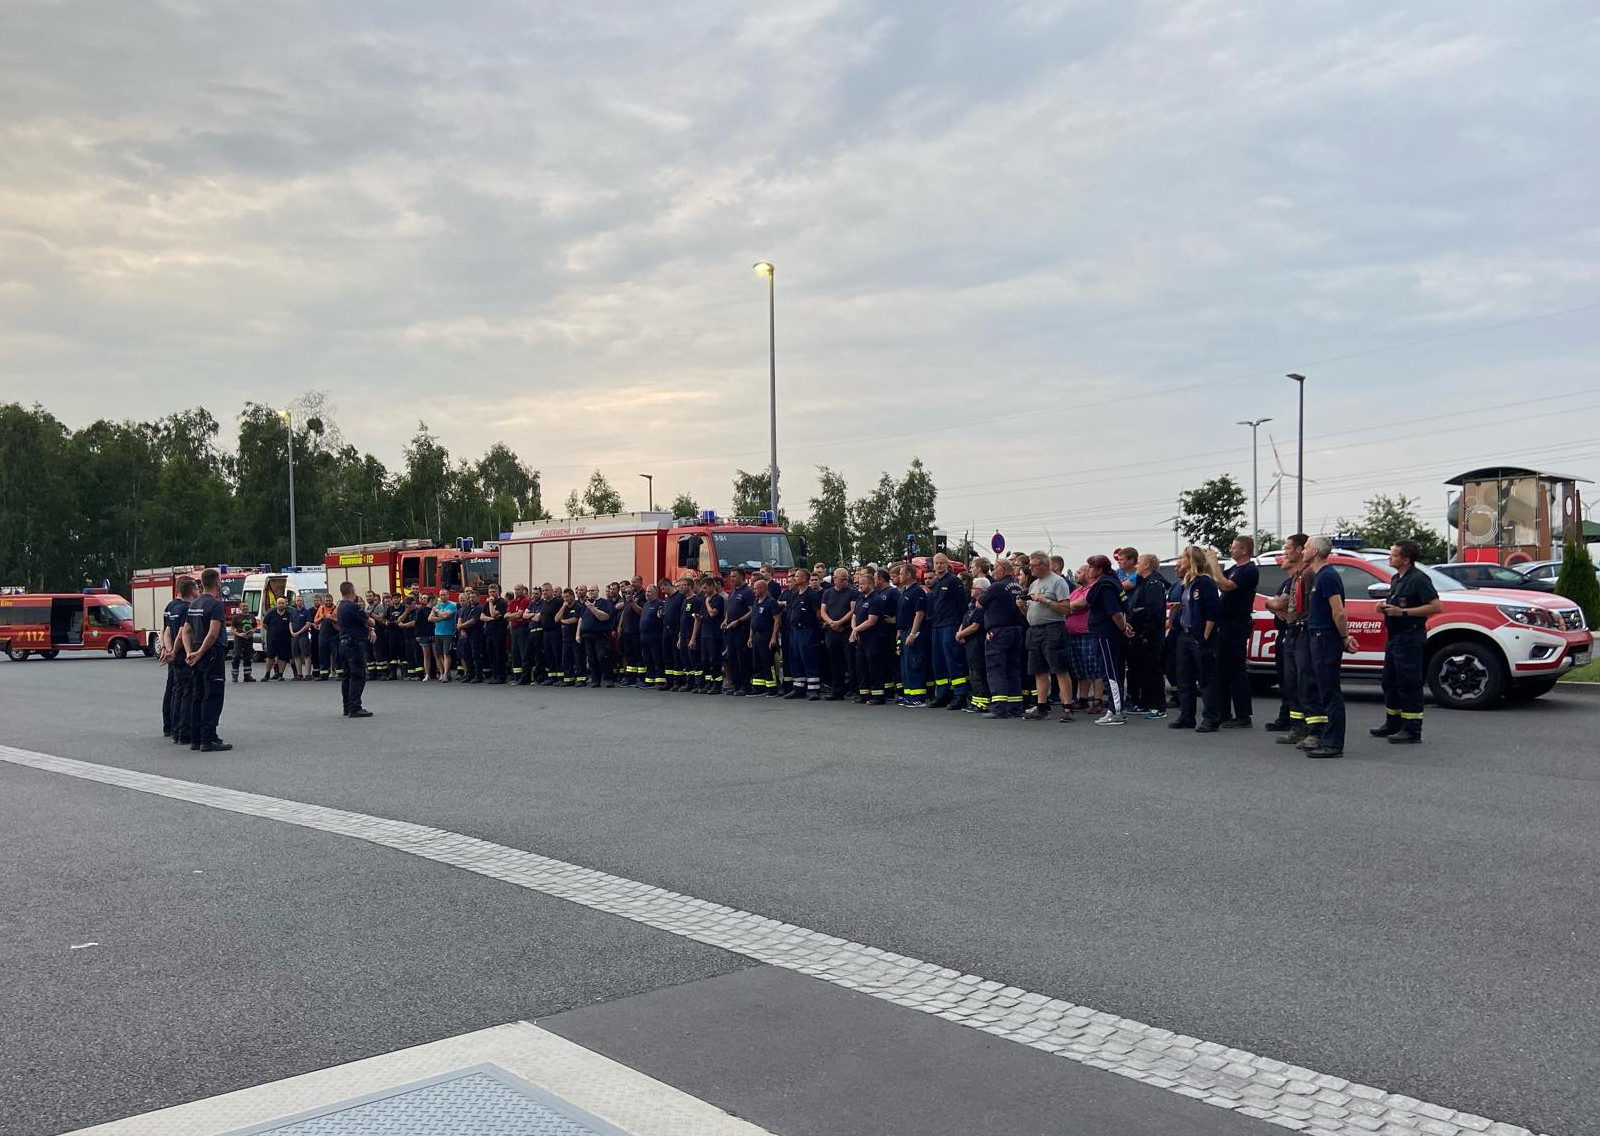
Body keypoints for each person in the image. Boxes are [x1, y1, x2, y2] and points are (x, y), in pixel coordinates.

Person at [1373, 539, 1441, 745]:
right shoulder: (1396, 579)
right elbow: (1397, 602)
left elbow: (1435, 606)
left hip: (1410, 636)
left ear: (1406, 559)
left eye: (1394, 555)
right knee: (1390, 681)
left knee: (1409, 682)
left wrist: (1403, 612)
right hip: (1395, 637)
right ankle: (1393, 723)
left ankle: (1411, 729)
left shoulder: (1419, 579)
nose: (1390, 558)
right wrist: (1383, 606)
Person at [1301, 535, 1358, 759]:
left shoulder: (1327, 576)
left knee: (1330, 691)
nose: (1303, 551)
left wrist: (1344, 637)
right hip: (1317, 636)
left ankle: (1334, 744)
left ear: (1315, 552)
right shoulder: (1319, 576)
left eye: (1306, 547)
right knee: (1322, 689)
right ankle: (1325, 737)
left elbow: (1339, 611)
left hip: (1325, 638)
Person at [1264, 534, 1315, 745]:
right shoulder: (1296, 577)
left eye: (1287, 549)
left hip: (1303, 633)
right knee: (1291, 683)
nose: (1284, 553)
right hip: (1291, 634)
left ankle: (1314, 730)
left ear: (1301, 550)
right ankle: (1297, 727)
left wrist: (1277, 607)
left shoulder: (1310, 575)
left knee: (1305, 683)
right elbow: (1278, 605)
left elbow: (1283, 605)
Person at [1171, 545, 1223, 732]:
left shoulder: (1205, 582)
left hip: (1199, 636)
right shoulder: (1187, 582)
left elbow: (1212, 611)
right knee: (1184, 678)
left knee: (1206, 679)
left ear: (1192, 560)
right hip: (1184, 634)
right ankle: (1186, 716)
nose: (1179, 561)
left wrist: (1205, 636)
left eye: (1183, 557)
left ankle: (1211, 718)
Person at [180, 567, 231, 751]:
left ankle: (196, 738)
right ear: (217, 582)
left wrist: (189, 652)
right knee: (213, 696)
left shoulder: (194, 604)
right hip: (211, 655)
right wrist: (201, 652)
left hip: (196, 655)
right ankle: (209, 739)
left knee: (198, 695)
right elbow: (213, 633)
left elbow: (186, 631)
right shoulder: (215, 605)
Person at [1021, 551, 1073, 722]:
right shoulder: (1034, 584)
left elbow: (1066, 608)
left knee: (1059, 668)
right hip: (1034, 629)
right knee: (1038, 669)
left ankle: (1067, 707)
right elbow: (1031, 613)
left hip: (1053, 628)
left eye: (1033, 565)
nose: (1030, 568)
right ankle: (1042, 706)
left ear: (1044, 565)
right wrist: (1022, 607)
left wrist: (1046, 600)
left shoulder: (1058, 582)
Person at [1084, 554, 1135, 725]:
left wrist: (1123, 628)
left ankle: (1116, 711)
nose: (1088, 570)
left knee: (1110, 673)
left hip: (1105, 634)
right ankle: (1117, 708)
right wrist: (1124, 626)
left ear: (1100, 569)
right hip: (1105, 633)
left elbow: (1115, 612)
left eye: (1091, 567)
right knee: (1112, 672)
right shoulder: (1112, 583)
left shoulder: (1105, 586)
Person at [1216, 535, 1260, 728]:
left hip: (1237, 623)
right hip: (1224, 622)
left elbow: (1225, 586)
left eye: (1234, 547)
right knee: (1221, 670)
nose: (1231, 550)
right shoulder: (1234, 568)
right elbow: (1219, 581)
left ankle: (1243, 715)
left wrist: (1214, 564)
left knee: (1236, 669)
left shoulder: (1249, 570)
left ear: (1244, 550)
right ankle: (1223, 712)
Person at [977, 558, 1025, 718]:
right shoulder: (1017, 586)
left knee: (996, 669)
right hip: (1016, 630)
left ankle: (999, 708)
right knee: (1013, 669)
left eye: (995, 568)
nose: (993, 572)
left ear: (1003, 569)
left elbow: (980, 603)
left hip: (998, 631)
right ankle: (1015, 707)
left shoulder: (997, 586)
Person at [1125, 554, 1170, 719]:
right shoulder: (1143, 583)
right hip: (1139, 633)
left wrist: (1145, 633)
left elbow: (1154, 612)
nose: (1136, 566)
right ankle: (1144, 703)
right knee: (1142, 670)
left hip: (1149, 636)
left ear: (1147, 565)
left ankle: (1158, 706)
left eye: (1139, 563)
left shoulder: (1154, 584)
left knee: (1153, 671)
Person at [926, 552, 968, 709]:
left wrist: (961, 624)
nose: (938, 566)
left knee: (953, 660)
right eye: (936, 563)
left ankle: (960, 694)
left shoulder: (954, 581)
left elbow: (962, 604)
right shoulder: (935, 583)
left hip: (950, 624)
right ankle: (942, 695)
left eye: (941, 563)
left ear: (947, 564)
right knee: (939, 662)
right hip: (937, 625)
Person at [160, 575, 197, 743]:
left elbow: (166, 630)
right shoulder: (186, 609)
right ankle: (183, 730)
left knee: (175, 691)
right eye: (196, 587)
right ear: (191, 590)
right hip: (182, 655)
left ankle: (172, 727)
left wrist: (167, 649)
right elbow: (182, 633)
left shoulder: (172, 607)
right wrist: (174, 651)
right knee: (186, 693)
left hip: (174, 656)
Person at [781, 566, 823, 700]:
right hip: (794, 631)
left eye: (797, 576)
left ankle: (813, 689)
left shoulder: (812, 595)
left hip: (808, 630)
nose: (794, 578)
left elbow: (818, 614)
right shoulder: (794, 595)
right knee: (795, 659)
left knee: (809, 658)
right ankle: (798, 688)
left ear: (804, 578)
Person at [335, 582, 375, 717]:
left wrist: (369, 629)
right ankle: (355, 707)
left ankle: (347, 706)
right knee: (358, 675)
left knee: (347, 676)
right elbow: (370, 621)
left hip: (344, 643)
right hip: (354, 644)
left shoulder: (340, 606)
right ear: (352, 591)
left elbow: (358, 623)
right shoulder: (353, 606)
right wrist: (371, 626)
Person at [849, 568, 887, 704]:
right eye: (859, 583)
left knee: (874, 667)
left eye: (863, 583)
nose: (860, 586)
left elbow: (871, 621)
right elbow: (854, 616)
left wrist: (856, 630)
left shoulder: (876, 599)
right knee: (861, 666)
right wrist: (854, 629)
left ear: (871, 584)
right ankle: (864, 694)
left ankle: (878, 695)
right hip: (861, 638)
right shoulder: (860, 599)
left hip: (873, 638)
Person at [894, 563, 929, 707]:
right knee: (906, 665)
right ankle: (909, 694)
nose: (899, 576)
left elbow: (919, 614)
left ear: (908, 575)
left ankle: (918, 697)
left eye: (901, 573)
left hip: (912, 631)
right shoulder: (905, 591)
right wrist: (899, 632)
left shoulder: (917, 591)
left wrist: (913, 634)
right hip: (903, 631)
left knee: (914, 664)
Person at [821, 568, 857, 700]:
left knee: (850, 661)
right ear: (834, 579)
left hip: (846, 630)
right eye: (841, 580)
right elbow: (823, 611)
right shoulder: (827, 593)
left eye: (846, 579)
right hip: (832, 631)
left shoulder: (852, 592)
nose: (844, 582)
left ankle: (854, 690)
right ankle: (837, 690)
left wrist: (839, 622)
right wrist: (831, 623)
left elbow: (853, 610)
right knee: (834, 661)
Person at [956, 575, 990, 714]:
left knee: (978, 672)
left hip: (977, 642)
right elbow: (965, 620)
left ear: (980, 590)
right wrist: (960, 632)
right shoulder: (972, 604)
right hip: (969, 641)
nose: (971, 589)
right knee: (972, 672)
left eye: (973, 587)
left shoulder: (981, 607)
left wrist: (961, 634)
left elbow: (975, 626)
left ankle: (982, 702)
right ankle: (976, 700)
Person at [723, 568, 755, 695]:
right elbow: (729, 609)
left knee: (743, 659)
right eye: (731, 576)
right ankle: (736, 685)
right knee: (733, 658)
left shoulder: (748, 592)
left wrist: (739, 621)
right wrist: (726, 620)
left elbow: (752, 611)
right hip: (730, 629)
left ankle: (745, 686)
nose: (732, 579)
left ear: (742, 577)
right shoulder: (732, 592)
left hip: (742, 629)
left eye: (734, 576)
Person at [750, 576, 782, 695]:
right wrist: (750, 636)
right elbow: (753, 620)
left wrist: (773, 637)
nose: (754, 590)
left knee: (767, 662)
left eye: (756, 588)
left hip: (766, 636)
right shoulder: (756, 601)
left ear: (763, 589)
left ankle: (772, 688)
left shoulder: (771, 602)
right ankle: (759, 687)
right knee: (757, 662)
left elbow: (777, 620)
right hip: (756, 636)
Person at [578, 583, 615, 688]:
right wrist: (578, 634)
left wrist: (593, 609)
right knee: (591, 658)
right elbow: (581, 619)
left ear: (598, 591)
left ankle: (608, 678)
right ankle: (595, 680)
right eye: (589, 591)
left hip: (600, 635)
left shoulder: (604, 603)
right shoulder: (586, 604)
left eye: (593, 590)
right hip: (587, 635)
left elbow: (605, 617)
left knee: (603, 656)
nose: (590, 593)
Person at [699, 577, 726, 694]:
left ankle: (717, 684)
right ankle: (708, 682)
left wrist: (707, 603)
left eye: (705, 587)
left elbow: (712, 613)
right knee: (705, 660)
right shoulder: (705, 599)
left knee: (714, 660)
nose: (704, 590)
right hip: (704, 633)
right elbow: (703, 615)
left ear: (712, 586)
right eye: (702, 588)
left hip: (714, 634)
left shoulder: (718, 599)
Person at [678, 578, 703, 691]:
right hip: (683, 635)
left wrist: (693, 638)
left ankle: (699, 684)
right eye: (681, 585)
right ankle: (689, 684)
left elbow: (697, 621)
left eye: (684, 585)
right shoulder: (685, 601)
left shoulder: (696, 601)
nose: (681, 587)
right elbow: (682, 620)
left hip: (691, 636)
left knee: (695, 660)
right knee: (686, 660)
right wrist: (680, 637)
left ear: (690, 586)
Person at [481, 583, 508, 684]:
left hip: (499, 632)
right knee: (491, 654)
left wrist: (491, 603)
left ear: (498, 592)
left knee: (499, 654)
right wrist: (492, 619)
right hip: (489, 632)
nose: (491, 594)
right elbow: (482, 617)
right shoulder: (486, 603)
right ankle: (494, 675)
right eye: (490, 592)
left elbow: (493, 613)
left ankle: (501, 676)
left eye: (494, 592)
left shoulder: (502, 603)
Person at [638, 584, 665, 687]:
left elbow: (661, 618)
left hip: (655, 636)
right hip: (644, 636)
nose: (647, 594)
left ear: (656, 593)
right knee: (647, 659)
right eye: (646, 592)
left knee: (657, 659)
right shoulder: (646, 604)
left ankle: (659, 680)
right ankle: (649, 679)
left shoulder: (660, 604)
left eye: (649, 592)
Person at [261, 596, 292, 681]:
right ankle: (267, 674)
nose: (281, 605)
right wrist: (272, 631)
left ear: (285, 604)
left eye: (283, 603)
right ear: (276, 604)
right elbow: (264, 624)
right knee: (270, 657)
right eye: (279, 603)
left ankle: (280, 674)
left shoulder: (289, 614)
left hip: (285, 639)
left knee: (282, 658)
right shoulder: (271, 613)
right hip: (272, 639)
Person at [430, 587, 458, 682]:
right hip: (437, 632)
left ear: (448, 595)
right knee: (440, 654)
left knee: (446, 654)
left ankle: (445, 675)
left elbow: (446, 615)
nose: (442, 596)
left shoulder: (452, 605)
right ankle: (446, 673)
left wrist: (437, 612)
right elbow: (430, 618)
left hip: (448, 633)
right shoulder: (437, 605)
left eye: (444, 594)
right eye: (441, 595)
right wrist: (442, 617)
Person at [507, 584, 532, 684]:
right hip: (514, 629)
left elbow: (520, 614)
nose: (516, 591)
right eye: (515, 589)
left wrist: (513, 617)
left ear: (523, 590)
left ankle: (525, 677)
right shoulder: (513, 602)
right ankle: (517, 676)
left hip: (523, 629)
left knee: (524, 653)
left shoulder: (525, 600)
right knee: (515, 653)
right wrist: (515, 617)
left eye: (518, 589)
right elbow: (506, 615)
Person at [458, 586, 484, 682]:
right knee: (466, 655)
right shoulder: (466, 608)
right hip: (466, 635)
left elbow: (473, 621)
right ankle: (469, 674)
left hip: (476, 635)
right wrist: (462, 630)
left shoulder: (479, 608)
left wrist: (460, 626)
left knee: (476, 655)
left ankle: (478, 676)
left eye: (473, 597)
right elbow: (460, 618)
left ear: (478, 598)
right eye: (470, 597)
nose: (471, 599)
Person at [229, 603, 256, 683]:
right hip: (239, 640)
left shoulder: (252, 617)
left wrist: (252, 631)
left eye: (246, 606)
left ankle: (247, 676)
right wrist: (239, 634)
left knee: (248, 657)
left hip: (249, 639)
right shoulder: (236, 617)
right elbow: (232, 629)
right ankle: (235, 676)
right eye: (243, 606)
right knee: (236, 656)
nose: (245, 607)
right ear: (240, 608)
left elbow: (255, 626)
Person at [289, 594, 314, 679]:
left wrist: (299, 632)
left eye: (300, 601)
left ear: (303, 602)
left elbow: (308, 624)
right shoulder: (293, 612)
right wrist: (292, 632)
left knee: (306, 655)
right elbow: (290, 623)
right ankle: (299, 674)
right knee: (296, 655)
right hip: (294, 636)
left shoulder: (306, 612)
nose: (299, 602)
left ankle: (308, 674)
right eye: (297, 601)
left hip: (303, 636)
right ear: (295, 602)